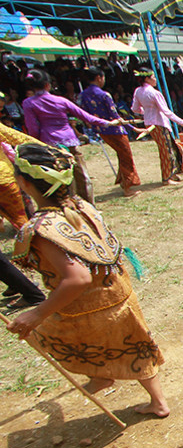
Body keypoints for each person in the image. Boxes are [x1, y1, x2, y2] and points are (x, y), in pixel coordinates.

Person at [6, 143, 169, 417]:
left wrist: (37, 313)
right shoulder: (81, 206)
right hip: (119, 294)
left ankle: (101, 375)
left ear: (23, 182)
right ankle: (157, 400)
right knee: (136, 346)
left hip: (86, 305)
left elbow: (78, 278)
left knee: (43, 333)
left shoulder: (44, 228)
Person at [22, 69, 121, 204]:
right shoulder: (61, 100)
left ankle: (65, 204)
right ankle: (88, 205)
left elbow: (32, 127)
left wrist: (35, 143)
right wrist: (108, 123)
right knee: (80, 174)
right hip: (70, 141)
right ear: (47, 85)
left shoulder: (29, 103)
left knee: (57, 177)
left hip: (49, 144)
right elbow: (85, 116)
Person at [79, 68, 142, 197]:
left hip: (101, 130)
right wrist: (133, 128)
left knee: (122, 154)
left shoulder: (83, 95)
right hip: (115, 130)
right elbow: (115, 116)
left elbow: (85, 115)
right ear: (99, 77)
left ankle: (123, 181)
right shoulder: (104, 95)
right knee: (126, 156)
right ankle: (127, 187)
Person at [132, 68, 183, 185]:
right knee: (166, 151)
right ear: (146, 78)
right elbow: (167, 112)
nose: (155, 79)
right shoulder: (154, 93)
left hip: (149, 123)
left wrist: (147, 112)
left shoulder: (138, 91)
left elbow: (135, 109)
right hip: (159, 123)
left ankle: (172, 173)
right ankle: (166, 178)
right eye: (153, 77)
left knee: (170, 147)